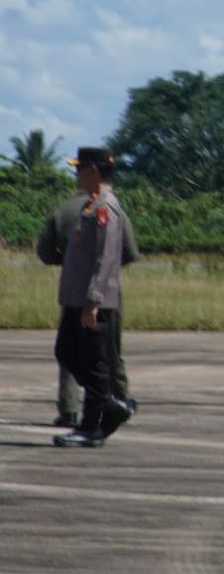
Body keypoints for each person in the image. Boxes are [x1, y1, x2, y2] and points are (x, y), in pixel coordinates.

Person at [52, 147, 136, 449]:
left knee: (90, 361)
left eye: (80, 168)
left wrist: (94, 299)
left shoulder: (106, 208)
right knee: (68, 353)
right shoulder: (91, 205)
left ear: (95, 172)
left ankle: (94, 423)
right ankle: (108, 406)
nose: (76, 174)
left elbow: (108, 257)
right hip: (77, 299)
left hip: (90, 303)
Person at [38, 187, 138, 426]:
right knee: (109, 349)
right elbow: (129, 251)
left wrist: (70, 262)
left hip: (74, 290)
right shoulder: (115, 208)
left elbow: (44, 252)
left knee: (70, 350)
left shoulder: (63, 210)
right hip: (106, 291)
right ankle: (118, 400)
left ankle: (69, 409)